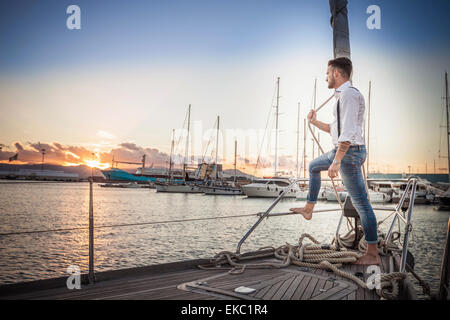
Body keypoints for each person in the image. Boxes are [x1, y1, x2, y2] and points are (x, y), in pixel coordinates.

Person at [289, 57, 380, 265]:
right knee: (313, 166)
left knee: (362, 205)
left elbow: (346, 134)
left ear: (337, 73)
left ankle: (373, 254)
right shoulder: (342, 96)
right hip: (343, 150)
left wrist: (337, 161)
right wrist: (314, 122)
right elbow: (335, 129)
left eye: (328, 73)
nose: (326, 77)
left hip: (348, 153)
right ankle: (309, 209)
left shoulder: (348, 94)